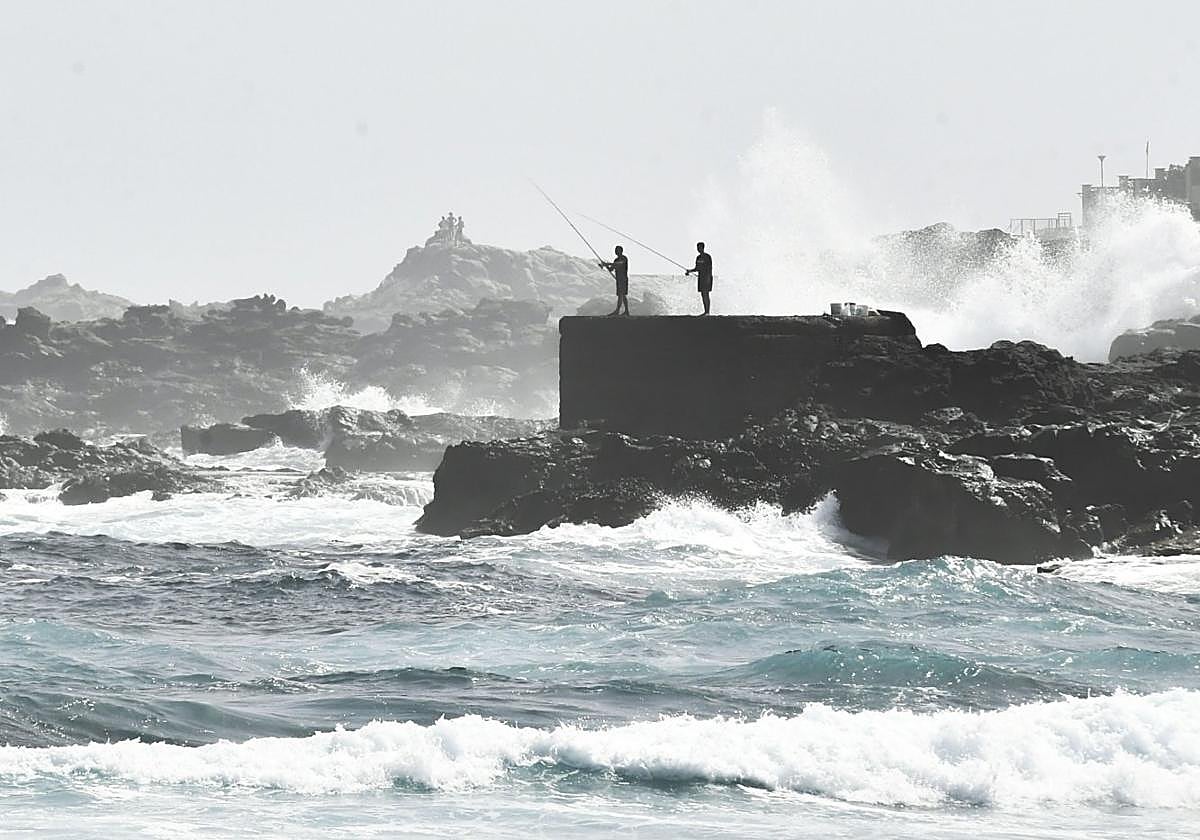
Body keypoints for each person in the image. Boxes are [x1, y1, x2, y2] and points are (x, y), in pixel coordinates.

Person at [599, 245, 630, 316]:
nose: (616, 251)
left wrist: (608, 263)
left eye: (617, 250)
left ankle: (618, 311)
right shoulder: (615, 260)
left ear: (621, 251)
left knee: (621, 294)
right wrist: (605, 266)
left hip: (623, 279)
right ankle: (626, 311)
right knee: (622, 295)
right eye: (615, 250)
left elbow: (619, 264)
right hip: (619, 279)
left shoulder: (624, 258)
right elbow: (611, 269)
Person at [684, 241, 713, 315]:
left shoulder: (707, 257)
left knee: (706, 294)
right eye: (697, 248)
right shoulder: (698, 257)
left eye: (699, 247)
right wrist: (689, 271)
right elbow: (697, 268)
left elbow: (710, 268)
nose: (698, 249)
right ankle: (705, 311)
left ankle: (707, 312)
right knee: (703, 295)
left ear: (703, 248)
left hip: (707, 277)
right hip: (701, 278)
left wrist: (708, 278)